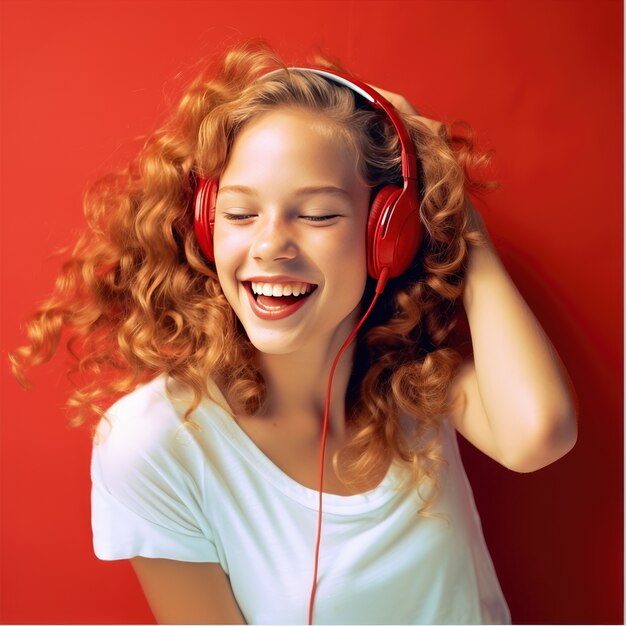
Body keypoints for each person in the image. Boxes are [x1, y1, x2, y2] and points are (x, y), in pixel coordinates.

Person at [10, 41, 577, 625]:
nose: (269, 246)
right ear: (208, 230)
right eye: (239, 213)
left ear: (387, 235)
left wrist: (453, 213)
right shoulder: (154, 443)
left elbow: (539, 435)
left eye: (317, 214)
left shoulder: (416, 379)